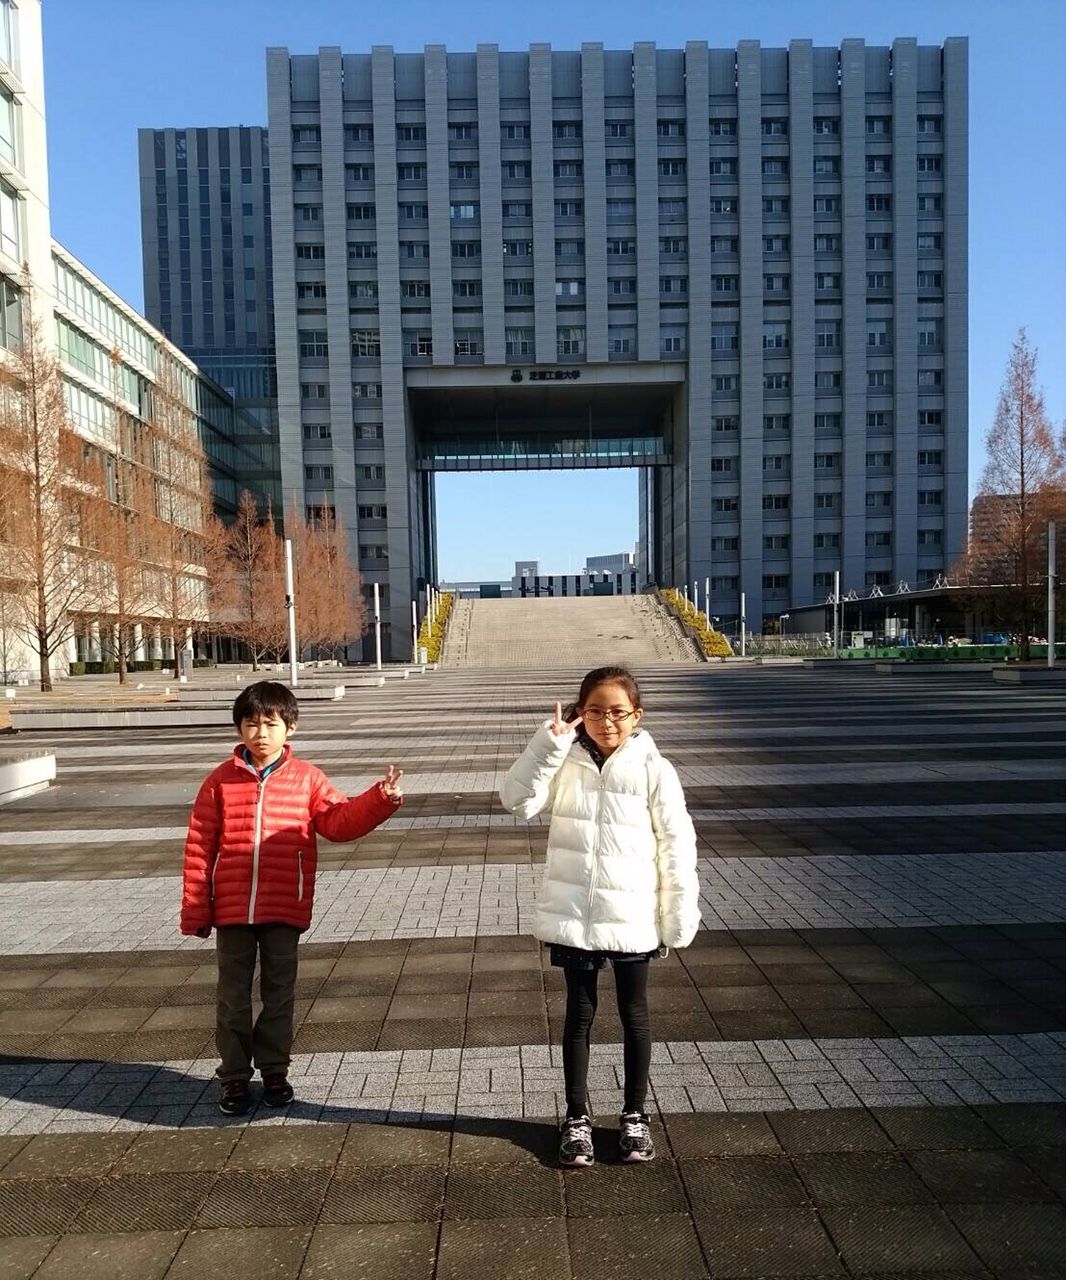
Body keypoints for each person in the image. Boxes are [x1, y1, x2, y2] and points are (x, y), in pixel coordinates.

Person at [500, 665, 700, 1167]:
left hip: (633, 914)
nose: (606, 722)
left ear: (637, 715)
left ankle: (635, 1115)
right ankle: (576, 1117)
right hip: (577, 914)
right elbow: (517, 801)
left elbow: (677, 846)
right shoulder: (564, 761)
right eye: (595, 711)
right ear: (579, 712)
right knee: (579, 1015)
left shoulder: (655, 769)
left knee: (635, 1015)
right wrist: (547, 745)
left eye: (617, 712)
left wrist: (676, 916)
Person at [180, 680, 403, 1115]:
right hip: (231, 910)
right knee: (232, 997)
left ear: (290, 727)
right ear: (239, 729)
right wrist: (196, 907)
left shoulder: (307, 779)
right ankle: (234, 1077)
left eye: (270, 724)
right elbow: (199, 846)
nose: (260, 733)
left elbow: (338, 822)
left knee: (279, 994)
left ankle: (274, 1072)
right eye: (251, 724)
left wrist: (380, 799)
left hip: (284, 906)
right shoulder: (220, 781)